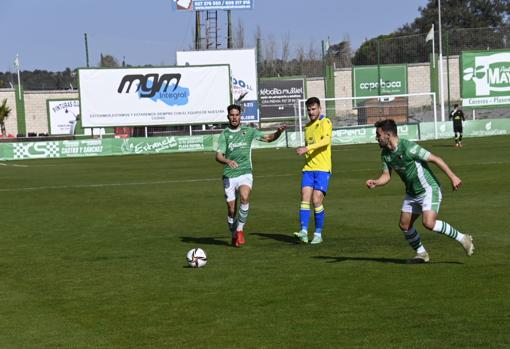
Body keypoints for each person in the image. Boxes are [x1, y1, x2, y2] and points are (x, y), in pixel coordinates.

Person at [365, 119, 474, 263]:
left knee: (428, 223)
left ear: (388, 135)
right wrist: (376, 182)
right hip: (412, 193)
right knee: (405, 225)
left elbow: (435, 159)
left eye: (378, 135)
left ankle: (463, 238)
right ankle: (422, 254)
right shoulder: (385, 154)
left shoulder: (409, 147)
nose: (376, 138)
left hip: (429, 188)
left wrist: (453, 177)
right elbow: (386, 176)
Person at [216, 104, 286, 247]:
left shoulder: (249, 131)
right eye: (232, 115)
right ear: (228, 116)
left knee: (245, 197)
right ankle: (233, 232)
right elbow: (218, 156)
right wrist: (227, 160)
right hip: (229, 175)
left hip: (245, 172)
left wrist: (278, 132)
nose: (234, 118)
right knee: (231, 210)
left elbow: (268, 138)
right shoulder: (225, 135)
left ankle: (240, 230)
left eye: (237, 115)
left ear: (240, 116)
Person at [293, 97, 333, 245]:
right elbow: (308, 145)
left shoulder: (326, 122)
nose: (311, 112)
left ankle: (318, 233)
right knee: (304, 198)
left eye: (313, 109)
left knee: (316, 200)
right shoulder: (307, 126)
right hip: (308, 168)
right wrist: (304, 150)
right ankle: (303, 231)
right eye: (309, 110)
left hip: (322, 169)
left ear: (319, 108)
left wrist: (307, 148)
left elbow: (326, 141)